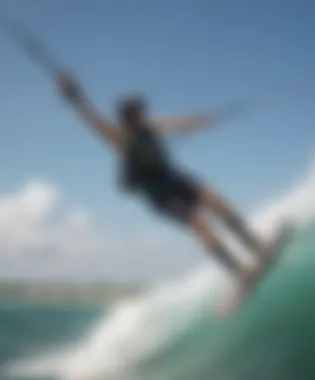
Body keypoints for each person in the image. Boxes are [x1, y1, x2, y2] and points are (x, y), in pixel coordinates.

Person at [56, 72, 269, 292]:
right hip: (158, 193)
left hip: (173, 177)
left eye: (141, 109)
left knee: (216, 201)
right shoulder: (118, 136)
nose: (142, 112)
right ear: (127, 115)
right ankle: (237, 273)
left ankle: (255, 245)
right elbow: (93, 120)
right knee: (198, 222)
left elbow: (176, 123)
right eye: (137, 110)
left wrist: (199, 120)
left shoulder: (150, 125)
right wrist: (75, 97)